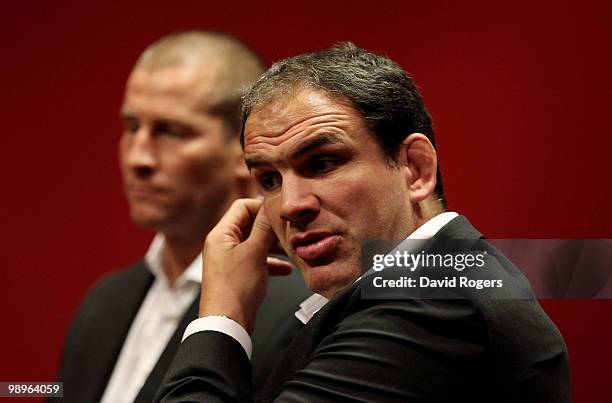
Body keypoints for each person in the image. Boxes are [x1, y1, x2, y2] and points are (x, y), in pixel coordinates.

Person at [155, 42, 570, 403]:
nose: (289, 206)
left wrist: (222, 313)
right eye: (269, 180)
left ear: (415, 169)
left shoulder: (432, 304)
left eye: (322, 163)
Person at [52, 31, 309, 403]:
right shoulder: (104, 300)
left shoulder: (302, 304)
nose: (138, 158)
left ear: (245, 148)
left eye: (171, 132)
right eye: (131, 128)